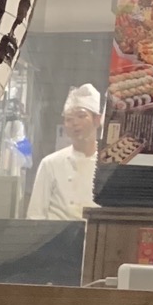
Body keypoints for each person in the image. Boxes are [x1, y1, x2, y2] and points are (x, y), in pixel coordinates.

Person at [26, 83, 103, 221]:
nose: (75, 123)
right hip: (58, 234)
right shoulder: (50, 163)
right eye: (69, 119)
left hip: (95, 233)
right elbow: (35, 216)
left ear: (97, 120)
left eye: (81, 116)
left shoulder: (107, 164)